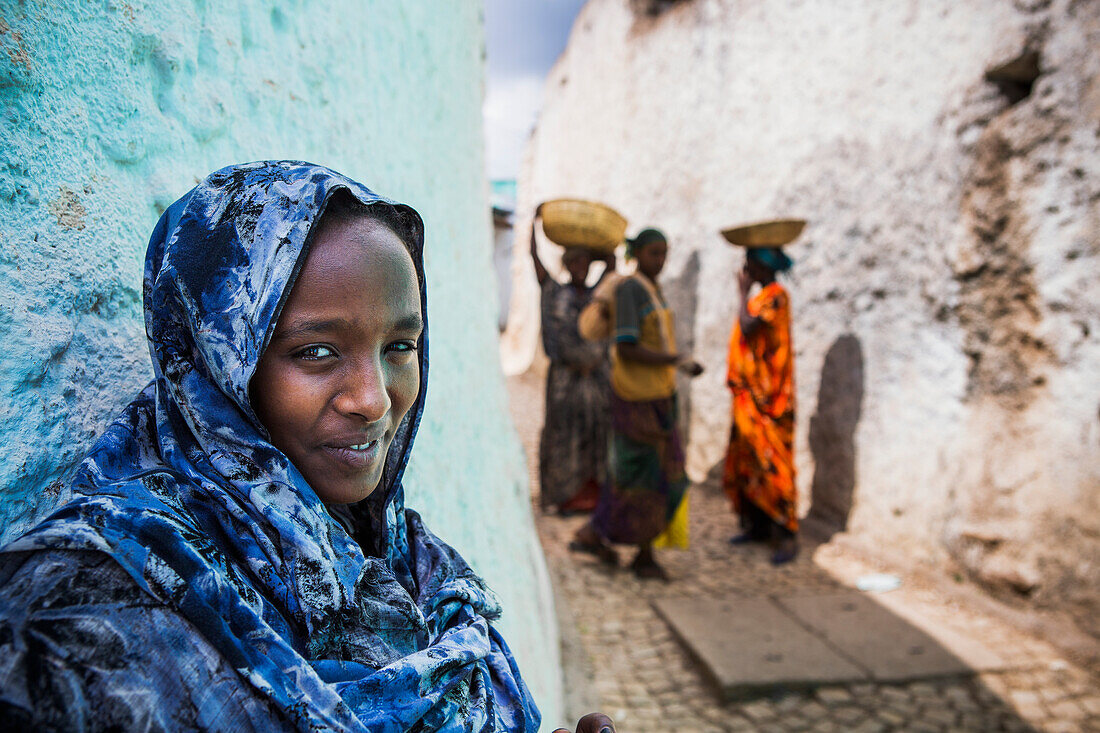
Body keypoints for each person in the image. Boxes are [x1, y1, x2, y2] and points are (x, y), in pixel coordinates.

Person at [0, 161, 612, 732]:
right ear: (217, 368)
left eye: (400, 347)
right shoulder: (75, 619)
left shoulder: (417, 568)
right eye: (316, 352)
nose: (373, 400)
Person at [571, 229, 703, 580]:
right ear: (638, 254)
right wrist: (677, 360)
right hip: (636, 401)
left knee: (653, 477)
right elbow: (626, 344)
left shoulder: (652, 289)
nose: (660, 261)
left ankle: (605, 537)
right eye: (654, 254)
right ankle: (633, 550)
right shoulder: (631, 289)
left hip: (658, 398)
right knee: (643, 478)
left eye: (664, 254)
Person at [530, 206, 614, 514]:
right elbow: (534, 260)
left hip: (595, 380)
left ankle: (590, 497)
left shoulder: (598, 293)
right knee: (563, 433)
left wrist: (605, 256)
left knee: (594, 432)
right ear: (567, 264)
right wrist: (534, 225)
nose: (580, 267)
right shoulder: (554, 290)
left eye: (585, 262)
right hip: (565, 380)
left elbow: (613, 265)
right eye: (575, 261)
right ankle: (562, 496)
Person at [723, 246, 799, 565]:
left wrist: (741, 293)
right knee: (749, 460)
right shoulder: (762, 297)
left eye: (749, 264)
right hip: (749, 397)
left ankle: (785, 533)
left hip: (770, 401)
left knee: (773, 464)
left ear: (760, 266)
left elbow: (749, 325)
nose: (744, 269)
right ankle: (756, 526)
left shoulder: (776, 296)